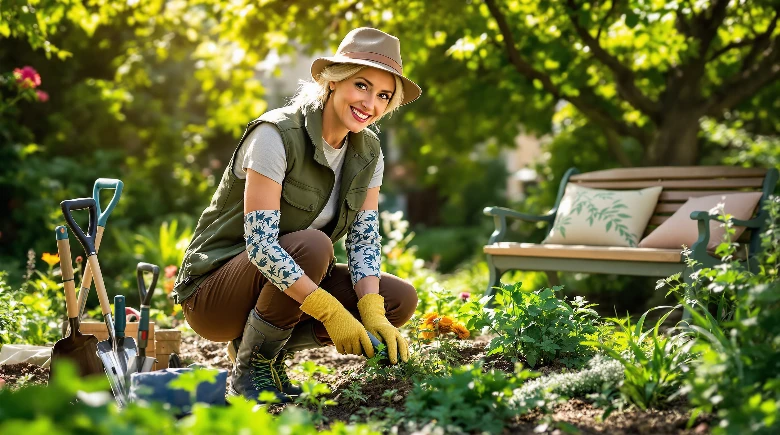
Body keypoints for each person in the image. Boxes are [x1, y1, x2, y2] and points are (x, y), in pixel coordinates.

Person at [172, 27, 422, 403]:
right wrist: (330, 312)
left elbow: (364, 238)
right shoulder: (276, 134)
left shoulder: (370, 153)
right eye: (362, 85)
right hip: (214, 293)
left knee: (397, 299)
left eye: (383, 95)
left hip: (282, 286)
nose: (370, 103)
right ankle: (250, 370)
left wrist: (370, 310)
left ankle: (269, 352)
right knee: (314, 245)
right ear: (333, 81)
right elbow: (260, 246)